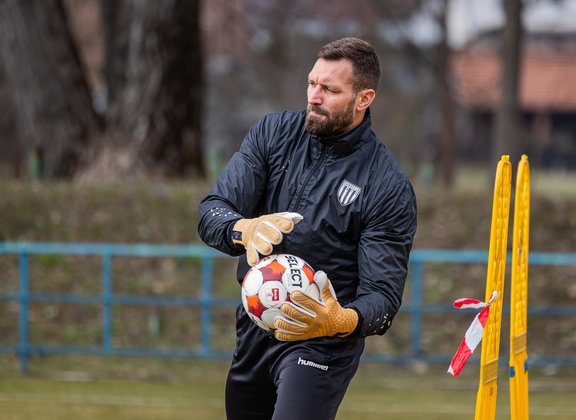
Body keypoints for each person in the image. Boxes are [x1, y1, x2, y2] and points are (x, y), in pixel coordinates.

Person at [198, 37, 417, 420]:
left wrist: (341, 319)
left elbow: (382, 296)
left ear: (364, 99)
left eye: (329, 89)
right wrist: (243, 229)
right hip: (256, 323)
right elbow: (212, 212)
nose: (314, 97)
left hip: (321, 342)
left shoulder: (386, 185)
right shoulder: (272, 134)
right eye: (311, 83)